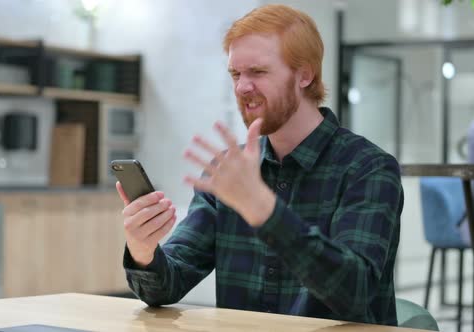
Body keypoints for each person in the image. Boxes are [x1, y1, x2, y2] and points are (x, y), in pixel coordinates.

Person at [116, 4, 404, 327]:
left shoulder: (368, 168)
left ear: (304, 75)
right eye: (236, 74)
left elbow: (354, 292)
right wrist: (143, 251)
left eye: (258, 72)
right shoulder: (228, 170)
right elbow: (169, 282)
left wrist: (265, 211)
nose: (241, 87)